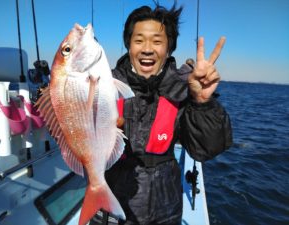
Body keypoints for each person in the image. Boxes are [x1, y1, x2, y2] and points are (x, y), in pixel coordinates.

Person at [90, 3, 232, 225]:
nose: (147, 49)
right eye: (139, 40)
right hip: (111, 207)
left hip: (165, 211)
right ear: (128, 45)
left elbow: (206, 149)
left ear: (169, 48)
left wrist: (202, 102)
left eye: (157, 41)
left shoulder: (184, 89)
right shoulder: (104, 86)